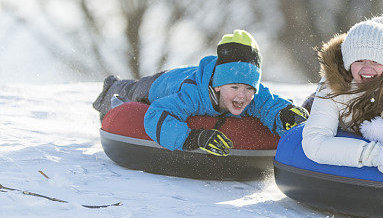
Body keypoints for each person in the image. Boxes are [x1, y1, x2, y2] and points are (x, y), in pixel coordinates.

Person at [92, 30, 308, 156]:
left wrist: (285, 115)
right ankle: (109, 89)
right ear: (218, 86)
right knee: (133, 90)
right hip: (163, 83)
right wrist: (192, 138)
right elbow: (157, 114)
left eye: (249, 88)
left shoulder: (249, 94)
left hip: (197, 73)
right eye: (234, 88)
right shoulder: (193, 94)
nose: (242, 96)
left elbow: (269, 104)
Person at [301, 16, 383, 176]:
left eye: (375, 61)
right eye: (359, 60)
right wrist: (375, 154)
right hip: (334, 105)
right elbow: (315, 143)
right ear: (348, 62)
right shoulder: (331, 89)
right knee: (310, 105)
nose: (367, 68)